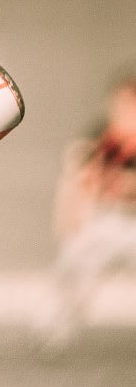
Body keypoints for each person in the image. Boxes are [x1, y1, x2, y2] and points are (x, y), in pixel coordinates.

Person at [42, 68, 136, 351]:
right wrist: (69, 218)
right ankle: (53, 336)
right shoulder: (99, 136)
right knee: (71, 273)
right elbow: (76, 177)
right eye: (121, 101)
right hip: (103, 219)